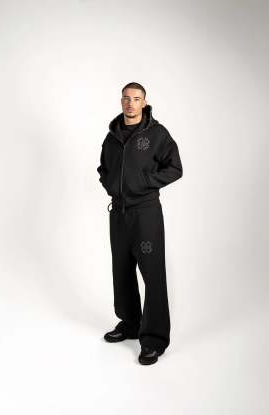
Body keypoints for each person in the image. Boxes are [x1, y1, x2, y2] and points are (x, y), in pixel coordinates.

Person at [97, 82, 183, 365]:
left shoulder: (156, 134)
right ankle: (131, 323)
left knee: (152, 274)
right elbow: (103, 168)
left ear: (144, 103)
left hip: (146, 214)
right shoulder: (112, 136)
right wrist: (111, 184)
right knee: (121, 270)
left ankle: (154, 339)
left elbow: (175, 168)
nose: (130, 103)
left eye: (136, 98)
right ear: (121, 101)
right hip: (118, 214)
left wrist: (144, 182)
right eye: (126, 98)